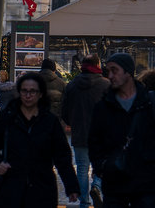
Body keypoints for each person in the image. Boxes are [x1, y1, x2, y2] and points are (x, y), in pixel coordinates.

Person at [88, 52, 155, 208]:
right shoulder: (104, 105)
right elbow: (95, 140)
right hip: (114, 181)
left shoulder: (151, 101)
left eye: (114, 71)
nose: (110, 76)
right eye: (108, 71)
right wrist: (102, 166)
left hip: (144, 180)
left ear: (128, 72)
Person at [0, 71, 81, 208]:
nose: (28, 95)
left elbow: (62, 156)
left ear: (40, 94)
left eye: (33, 91)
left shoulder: (49, 121)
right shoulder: (7, 117)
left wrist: (71, 186)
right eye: (24, 91)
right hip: (11, 186)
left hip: (41, 188)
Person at [62, 55, 108, 208]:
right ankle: (96, 186)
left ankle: (84, 203)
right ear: (98, 64)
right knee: (102, 165)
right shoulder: (105, 84)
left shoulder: (72, 85)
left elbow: (65, 111)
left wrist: (73, 123)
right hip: (101, 134)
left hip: (80, 132)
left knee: (82, 167)